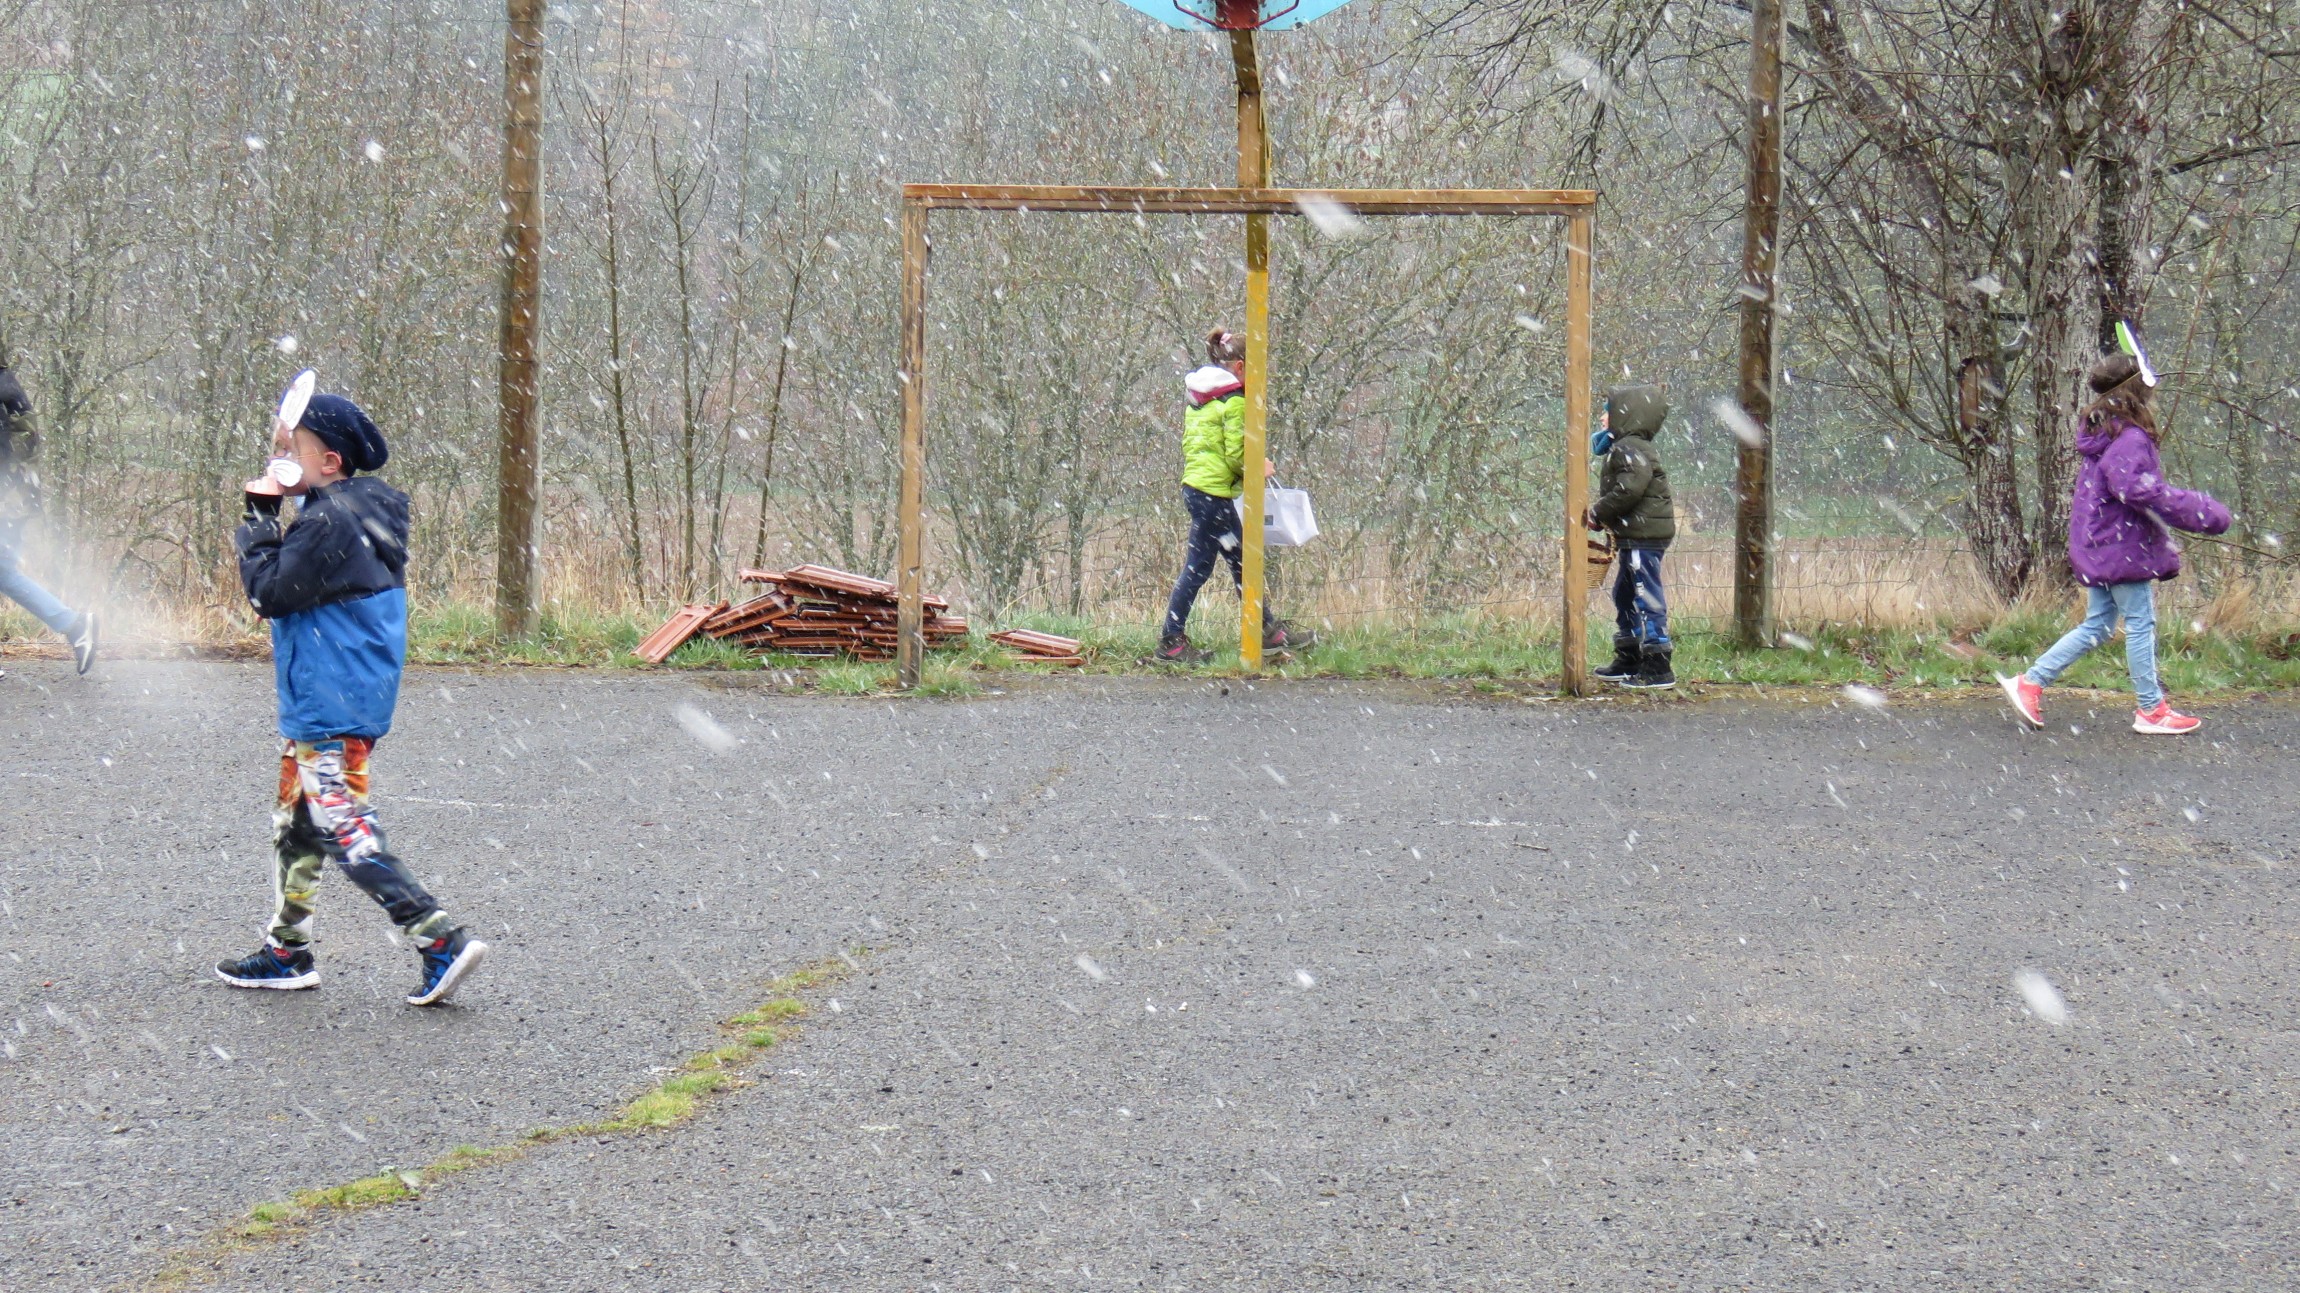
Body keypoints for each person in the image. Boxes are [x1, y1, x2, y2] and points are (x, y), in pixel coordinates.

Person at [214, 390, 487, 1005]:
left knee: (344, 826)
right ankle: (287, 950)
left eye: (291, 449)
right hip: (335, 700)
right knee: (297, 823)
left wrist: (258, 519)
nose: (279, 459)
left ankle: (438, 937)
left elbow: (268, 594)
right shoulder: (349, 512)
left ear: (329, 461)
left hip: (329, 706)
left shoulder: (328, 522)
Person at [2001, 352, 2231, 735]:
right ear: (2139, 391)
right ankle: (2151, 710)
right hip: (2120, 545)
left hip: (2102, 542)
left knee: (2098, 625)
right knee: (2139, 623)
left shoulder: (2106, 432)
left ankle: (2030, 683)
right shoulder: (2129, 437)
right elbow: (2138, 489)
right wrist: (2200, 510)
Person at [1153, 328, 1313, 664]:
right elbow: (1236, 456)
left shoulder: (1201, 399)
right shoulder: (1235, 401)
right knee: (1203, 567)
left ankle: (1265, 630)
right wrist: (1259, 467)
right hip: (1212, 495)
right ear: (1240, 367)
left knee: (1239, 562)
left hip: (1198, 490)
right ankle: (1172, 641)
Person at [0, 361, 97, 674]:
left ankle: (75, 624)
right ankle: (75, 625)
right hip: (16, 496)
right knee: (4, 572)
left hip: (8, 496)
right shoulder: (6, 384)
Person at [1585, 385, 1675, 689]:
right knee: (1625, 593)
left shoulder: (1629, 448)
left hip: (1643, 536)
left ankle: (1658, 664)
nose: (1602, 418)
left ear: (1625, 415)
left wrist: (1598, 512)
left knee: (1644, 593)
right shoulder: (1627, 447)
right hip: (1636, 534)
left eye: (1607, 412)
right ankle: (1629, 656)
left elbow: (1629, 489)